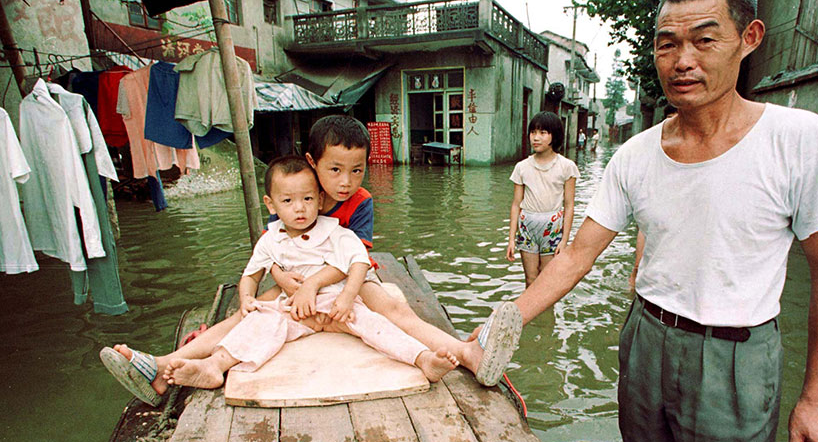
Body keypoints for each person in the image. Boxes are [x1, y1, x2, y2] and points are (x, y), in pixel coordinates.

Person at [477, 0, 818, 442]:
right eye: (665, 44)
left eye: (705, 40)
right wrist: (504, 322)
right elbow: (577, 254)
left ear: (749, 37)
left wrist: (816, 399)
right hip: (649, 336)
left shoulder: (797, 139)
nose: (682, 60)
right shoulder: (635, 155)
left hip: (739, 351)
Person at [100, 116, 519, 400]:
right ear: (311, 162)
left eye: (356, 170)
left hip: (344, 276)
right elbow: (274, 251)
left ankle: (468, 355)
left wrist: (315, 285)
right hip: (292, 277)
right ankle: (161, 366)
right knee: (244, 316)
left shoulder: (360, 202)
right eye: (335, 170)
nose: (345, 182)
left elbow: (353, 260)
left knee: (392, 307)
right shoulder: (292, 194)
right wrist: (282, 283)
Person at [507, 111, 579, 286]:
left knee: (548, 281)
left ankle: (547, 313)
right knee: (530, 279)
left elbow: (569, 205)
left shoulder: (566, 167)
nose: (536, 138)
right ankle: (530, 313)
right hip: (527, 226)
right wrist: (511, 239)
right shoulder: (522, 167)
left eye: (543, 133)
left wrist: (564, 240)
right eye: (533, 132)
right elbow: (516, 204)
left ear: (554, 136)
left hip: (552, 226)